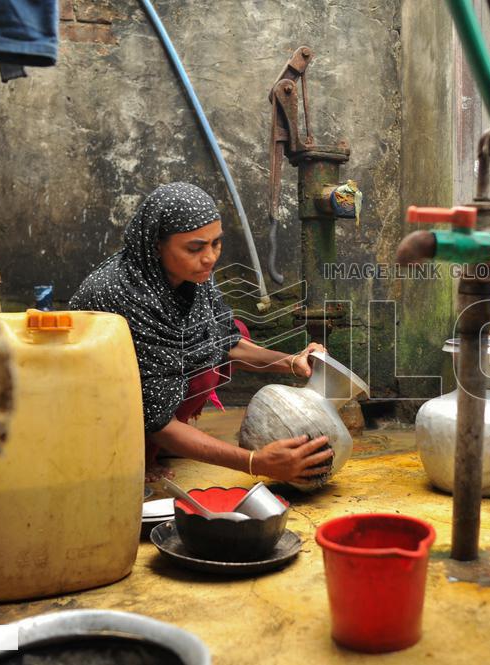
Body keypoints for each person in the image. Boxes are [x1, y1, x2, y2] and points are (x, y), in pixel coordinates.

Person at [70, 182, 332, 483]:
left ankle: (157, 447)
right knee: (197, 370)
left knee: (223, 338)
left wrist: (291, 362)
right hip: (94, 413)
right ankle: (131, 457)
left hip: (150, 394)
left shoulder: (191, 274)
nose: (210, 257)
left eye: (216, 244)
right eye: (195, 248)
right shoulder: (122, 296)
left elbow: (226, 342)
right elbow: (154, 418)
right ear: (156, 245)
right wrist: (255, 462)